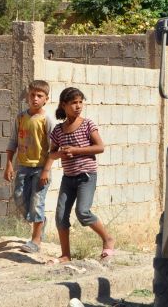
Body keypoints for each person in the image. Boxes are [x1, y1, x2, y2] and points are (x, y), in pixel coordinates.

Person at [45, 87, 115, 264]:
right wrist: (60, 154)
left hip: (86, 176)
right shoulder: (59, 130)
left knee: (83, 212)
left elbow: (100, 147)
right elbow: (51, 153)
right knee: (61, 216)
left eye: (80, 102)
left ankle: (108, 239)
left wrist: (75, 150)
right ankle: (65, 255)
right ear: (64, 105)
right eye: (73, 103)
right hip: (68, 178)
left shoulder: (87, 124)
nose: (78, 106)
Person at [3, 79, 55, 255]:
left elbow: (53, 148)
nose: (35, 98)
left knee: (37, 203)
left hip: (40, 169)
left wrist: (46, 170)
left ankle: (35, 240)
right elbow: (13, 142)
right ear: (27, 96)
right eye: (32, 95)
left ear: (46, 99)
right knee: (19, 198)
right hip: (23, 167)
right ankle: (41, 221)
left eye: (39, 96)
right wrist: (9, 164)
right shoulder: (20, 118)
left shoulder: (47, 120)